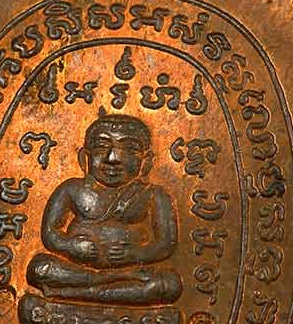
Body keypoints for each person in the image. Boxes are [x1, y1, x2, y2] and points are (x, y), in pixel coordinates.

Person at [26, 113, 182, 305]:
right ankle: (100, 281)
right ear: (85, 157)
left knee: (169, 283)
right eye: (101, 147)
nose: (112, 158)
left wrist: (135, 254)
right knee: (39, 268)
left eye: (129, 149)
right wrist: (71, 246)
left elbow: (166, 244)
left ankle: (74, 294)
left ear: (146, 160)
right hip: (78, 271)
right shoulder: (72, 189)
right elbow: (50, 233)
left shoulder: (152, 194)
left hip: (131, 271)